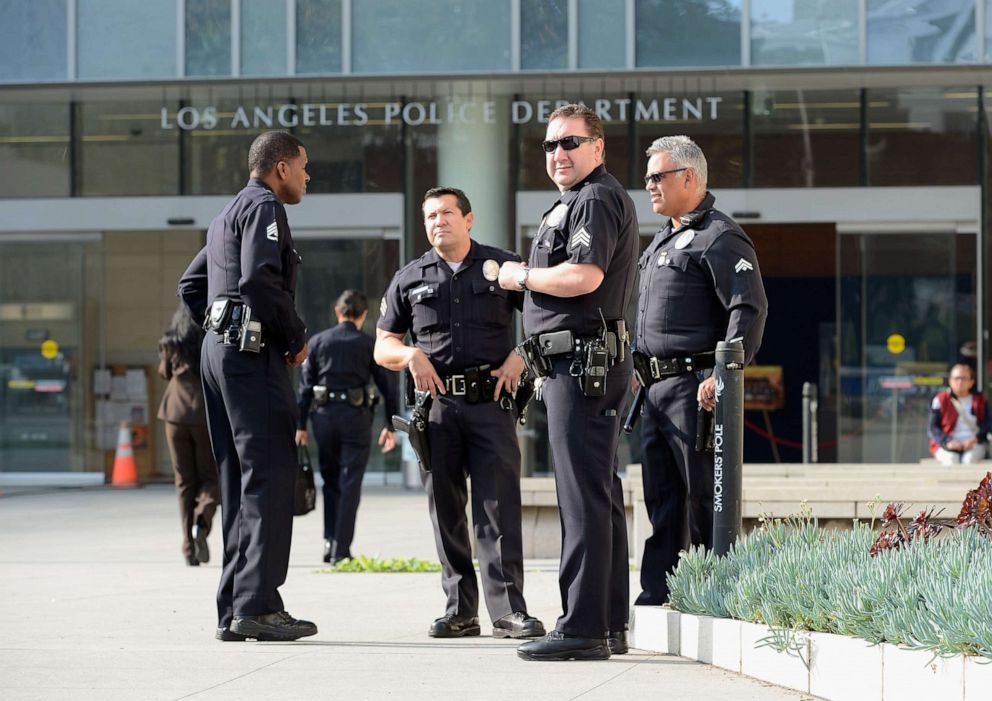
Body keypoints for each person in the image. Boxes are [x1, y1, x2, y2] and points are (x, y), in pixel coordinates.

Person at [498, 104, 637, 661]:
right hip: (574, 365)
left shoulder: (596, 198)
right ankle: (605, 623)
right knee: (596, 496)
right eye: (550, 145)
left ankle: (582, 628)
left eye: (571, 143)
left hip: (582, 366)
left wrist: (521, 276)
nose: (558, 153)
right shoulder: (573, 202)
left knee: (582, 500)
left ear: (598, 149)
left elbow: (584, 277)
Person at [374, 186, 545, 642]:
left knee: (497, 507)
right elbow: (382, 344)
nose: (438, 222)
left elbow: (546, 316)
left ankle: (509, 611)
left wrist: (523, 354)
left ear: (468, 220)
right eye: (430, 215)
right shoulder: (409, 278)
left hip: (492, 404)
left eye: (447, 213)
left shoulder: (503, 267)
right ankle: (459, 610)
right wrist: (410, 355)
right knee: (445, 510)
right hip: (438, 411)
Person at [178, 130, 317, 642]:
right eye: (303, 166)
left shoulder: (223, 217)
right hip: (252, 356)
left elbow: (191, 287)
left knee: (238, 480)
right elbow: (261, 281)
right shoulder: (264, 209)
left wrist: (220, 325)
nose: (307, 176)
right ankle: (258, 606)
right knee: (271, 475)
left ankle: (234, 609)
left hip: (219, 356)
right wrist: (294, 336)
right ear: (280, 167)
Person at [632, 135, 767, 607]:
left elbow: (747, 309)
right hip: (654, 390)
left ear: (688, 177)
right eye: (647, 176)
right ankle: (662, 589)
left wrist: (722, 375)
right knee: (661, 498)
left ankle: (715, 592)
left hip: (696, 390)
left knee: (702, 498)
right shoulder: (664, 237)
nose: (648, 184)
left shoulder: (719, 235)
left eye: (657, 176)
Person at [295, 289, 400, 564]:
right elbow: (388, 388)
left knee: (330, 481)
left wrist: (300, 424)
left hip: (324, 418)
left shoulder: (318, 342)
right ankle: (341, 548)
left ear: (338, 312)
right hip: (356, 418)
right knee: (350, 482)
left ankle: (330, 540)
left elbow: (304, 388)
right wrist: (390, 423)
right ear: (364, 314)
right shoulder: (368, 344)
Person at [157, 303, 218, 567]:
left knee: (184, 482)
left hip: (175, 413)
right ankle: (201, 521)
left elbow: (164, 373)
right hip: (204, 413)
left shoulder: (171, 340)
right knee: (211, 477)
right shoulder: (209, 336)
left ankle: (187, 546)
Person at [929, 363, 990, 465]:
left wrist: (975, 439)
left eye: (964, 378)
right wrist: (947, 441)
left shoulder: (980, 400)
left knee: (969, 460)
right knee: (951, 460)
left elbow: (988, 424)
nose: (960, 381)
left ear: (971, 382)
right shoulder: (940, 399)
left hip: (974, 443)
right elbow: (933, 427)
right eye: (957, 378)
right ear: (950, 381)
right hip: (947, 444)